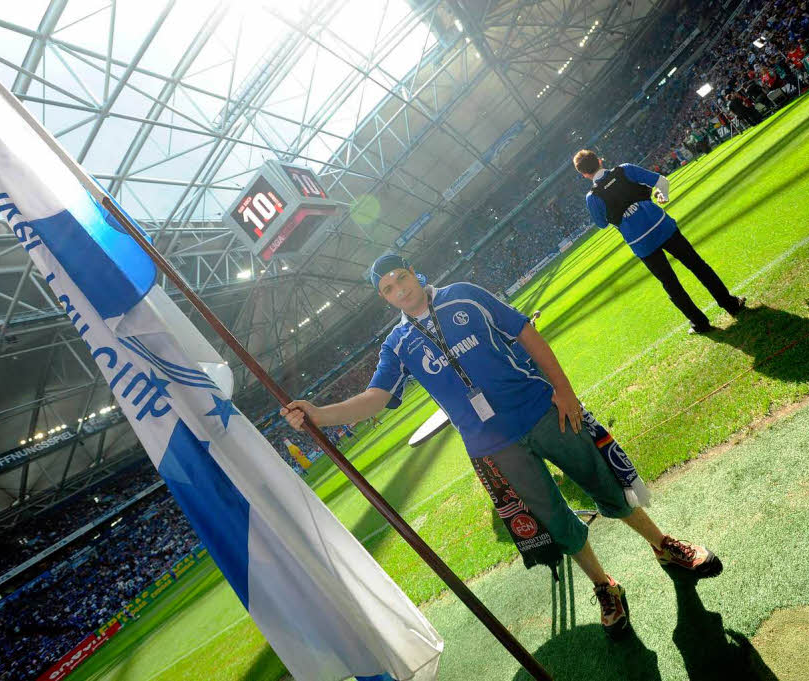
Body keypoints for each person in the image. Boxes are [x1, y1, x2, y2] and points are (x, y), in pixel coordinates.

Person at [281, 254, 723, 639]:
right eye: (388, 289)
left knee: (605, 486)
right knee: (555, 517)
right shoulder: (398, 344)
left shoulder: (464, 295)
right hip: (494, 446)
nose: (399, 290)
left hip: (544, 411)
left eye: (401, 278)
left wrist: (565, 391)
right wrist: (317, 413)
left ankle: (664, 546)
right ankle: (606, 586)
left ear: (414, 273)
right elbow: (374, 399)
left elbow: (525, 334)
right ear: (385, 298)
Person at [573, 149, 746, 334]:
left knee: (671, 284)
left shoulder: (592, 197)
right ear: (600, 160)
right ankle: (731, 305)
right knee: (697, 265)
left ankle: (700, 324)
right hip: (663, 226)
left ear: (584, 174)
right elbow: (662, 181)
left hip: (641, 242)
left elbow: (602, 224)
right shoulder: (625, 170)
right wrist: (663, 196)